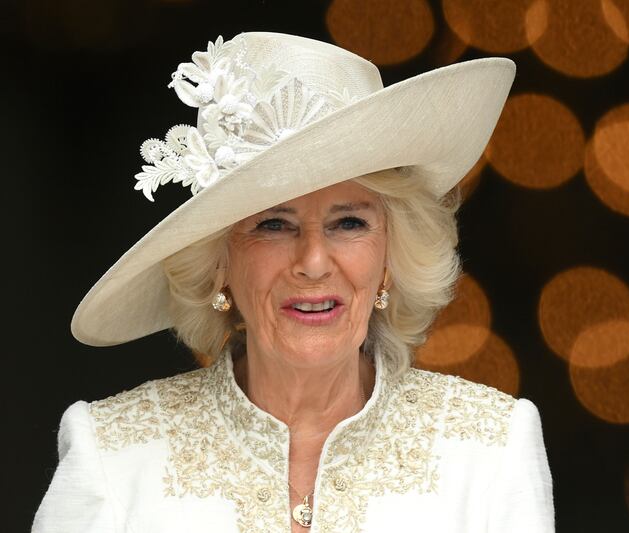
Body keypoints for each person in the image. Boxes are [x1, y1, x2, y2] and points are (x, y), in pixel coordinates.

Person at [33, 32, 554, 532]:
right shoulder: (111, 453)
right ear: (218, 262)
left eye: (349, 223)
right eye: (272, 225)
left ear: (391, 257)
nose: (312, 261)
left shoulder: (493, 450)